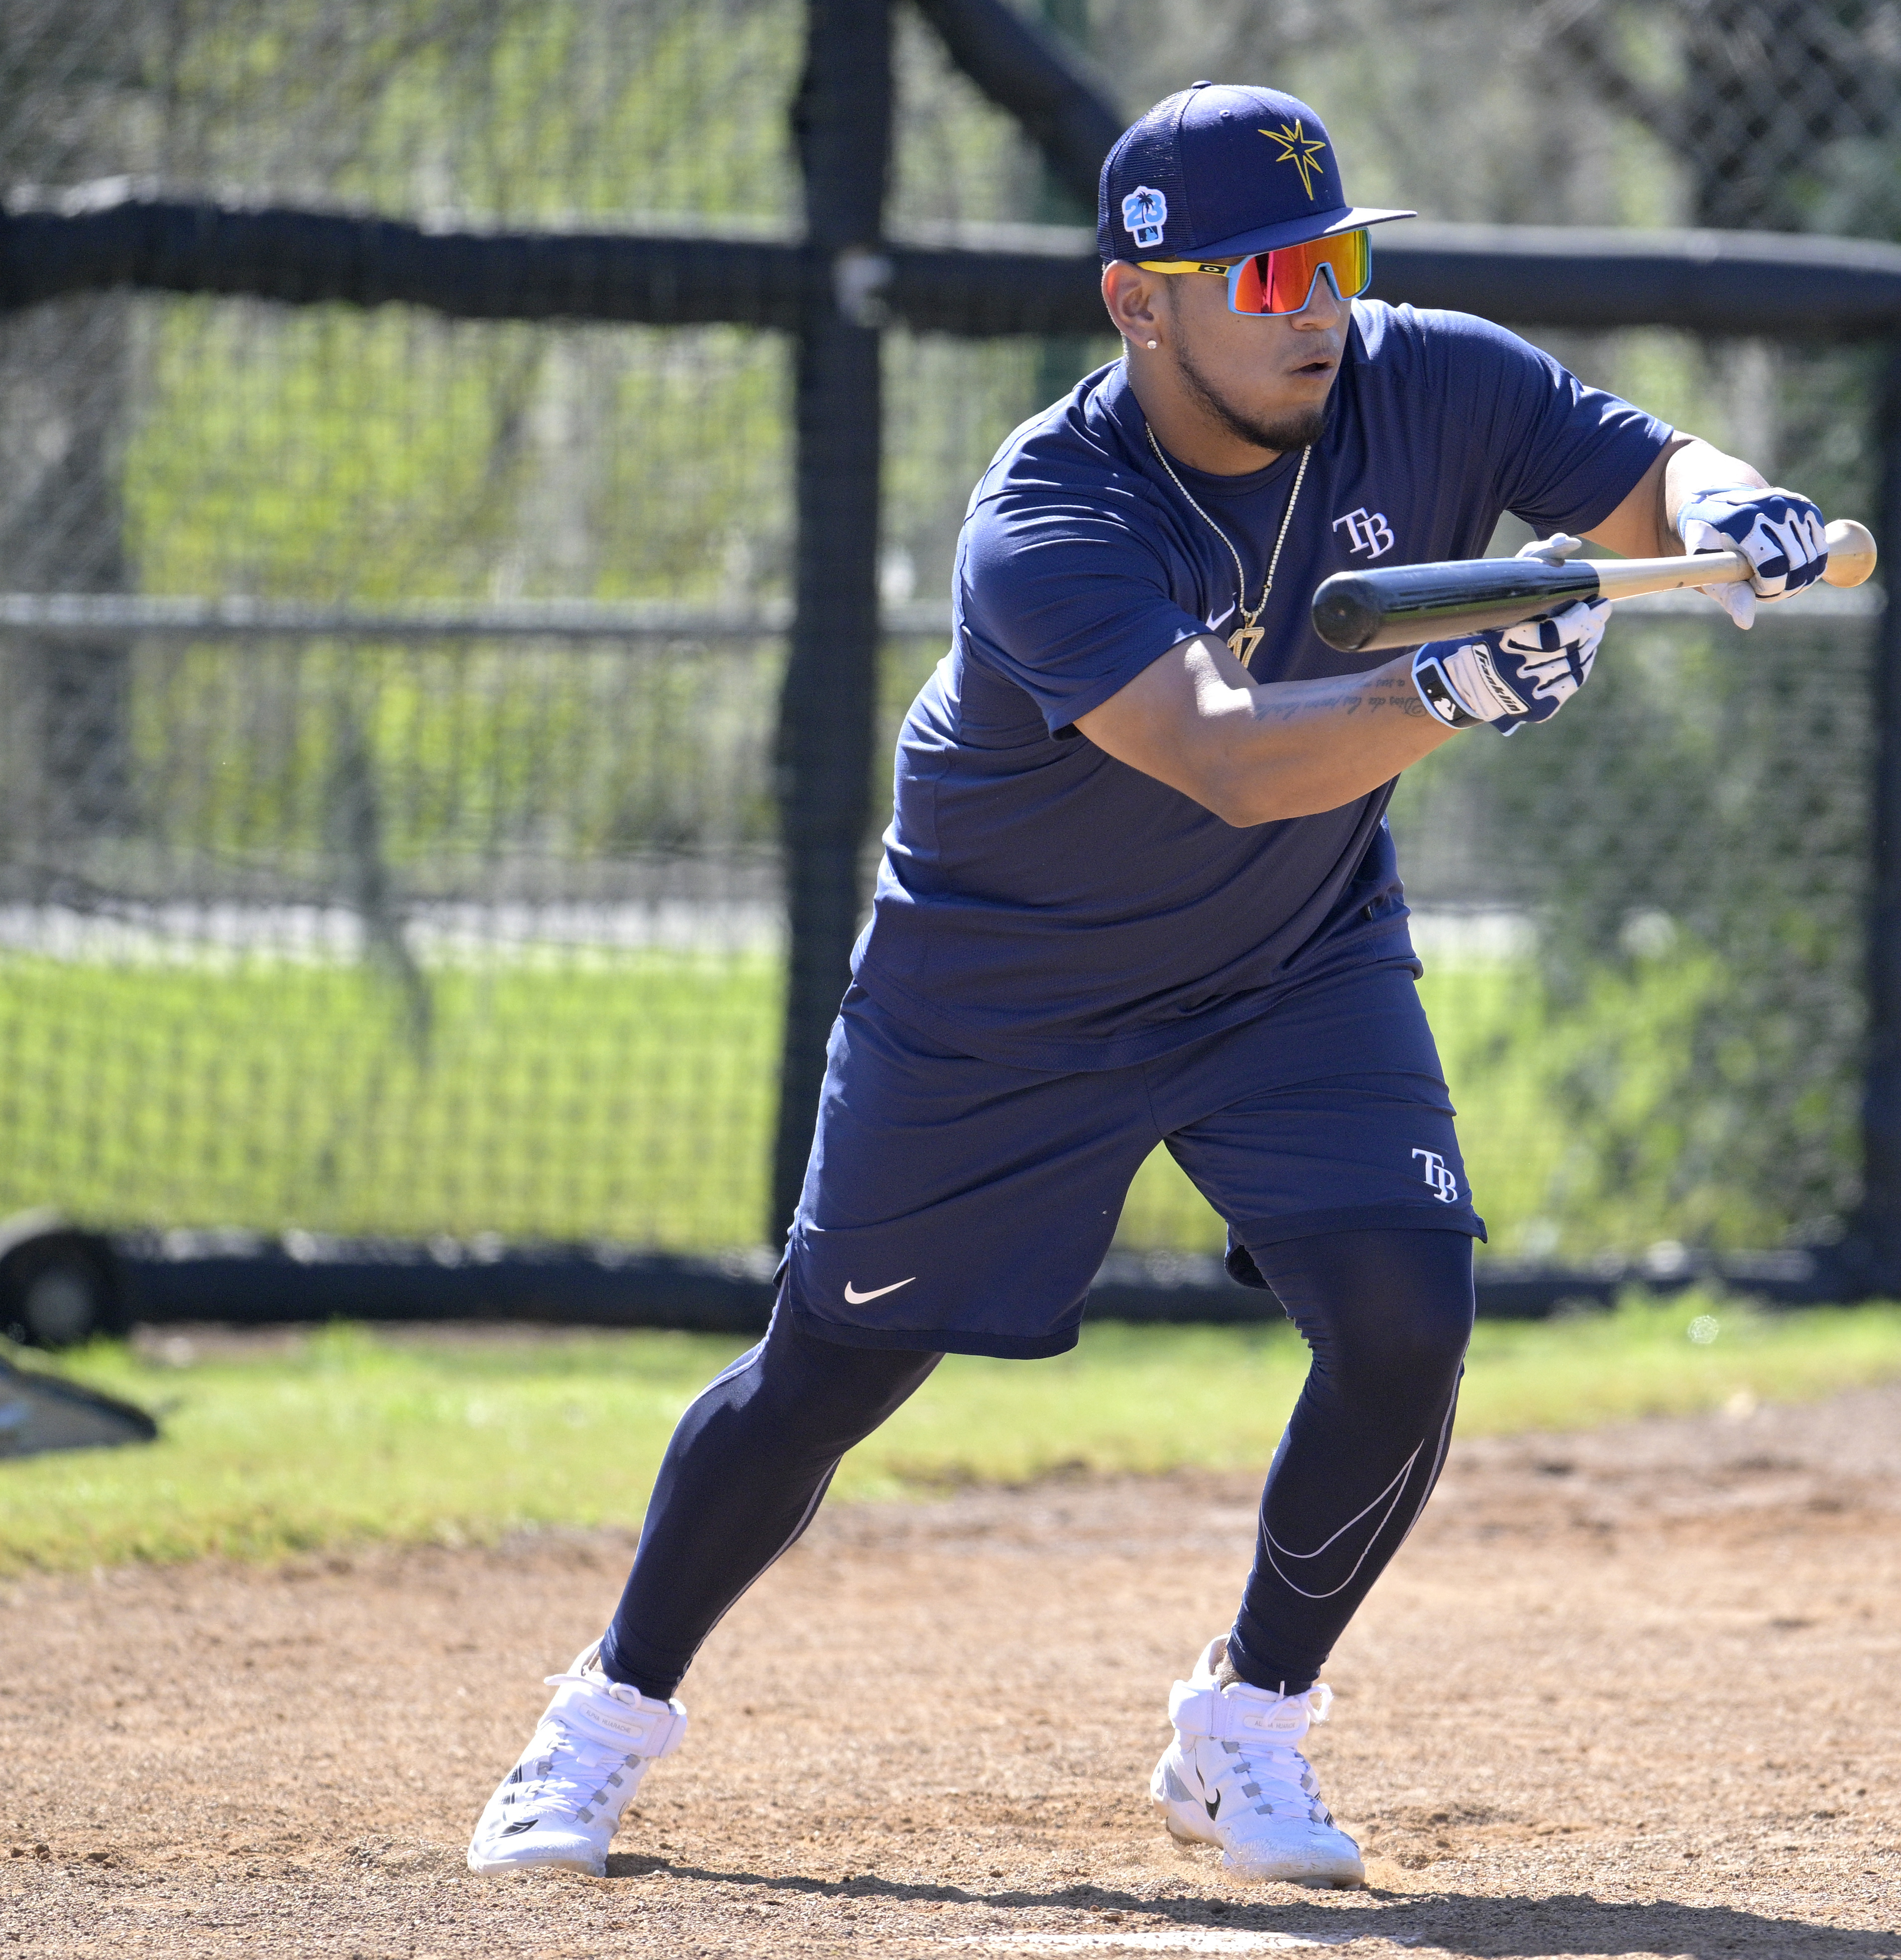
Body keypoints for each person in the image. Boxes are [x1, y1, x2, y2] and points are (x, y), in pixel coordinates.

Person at [466, 80, 1832, 1890]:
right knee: (832, 1369)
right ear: (1138, 301)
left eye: (1331, 257)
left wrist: (1739, 507)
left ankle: (1245, 1723)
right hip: (1002, 990)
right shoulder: (1048, 511)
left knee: (1406, 1320)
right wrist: (1450, 691)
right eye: (1262, 274)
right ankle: (606, 1711)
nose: (1316, 304)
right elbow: (1224, 755)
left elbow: (1645, 465)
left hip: (1288, 960)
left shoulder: (1431, 374)